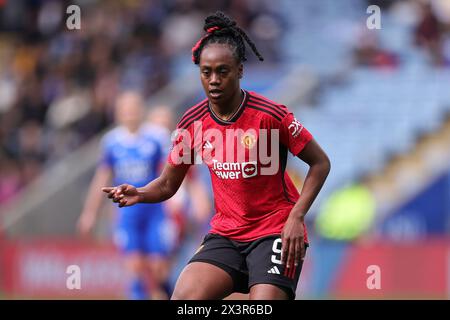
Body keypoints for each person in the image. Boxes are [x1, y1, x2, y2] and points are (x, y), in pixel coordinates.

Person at [102, 11, 330, 300]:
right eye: (206, 72)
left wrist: (297, 216)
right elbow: (168, 184)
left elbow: (320, 163)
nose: (213, 80)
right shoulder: (192, 122)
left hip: (275, 231)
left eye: (223, 71)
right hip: (226, 235)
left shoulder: (271, 115)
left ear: (240, 71)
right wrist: (140, 192)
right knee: (185, 299)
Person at [77, 91, 179, 300]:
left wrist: (179, 197)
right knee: (135, 268)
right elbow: (102, 178)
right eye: (126, 108)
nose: (130, 112)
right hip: (127, 215)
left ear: (142, 109)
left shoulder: (157, 136)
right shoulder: (112, 142)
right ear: (118, 113)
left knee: (159, 268)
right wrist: (90, 213)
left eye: (134, 107)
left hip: (155, 213)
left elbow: (172, 170)